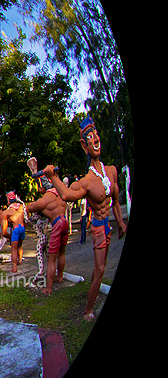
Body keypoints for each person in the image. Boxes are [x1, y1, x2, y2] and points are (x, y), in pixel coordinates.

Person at [42, 115, 126, 320]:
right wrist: (52, 176)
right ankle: (88, 310)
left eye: (96, 134)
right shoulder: (86, 182)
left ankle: (92, 292)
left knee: (101, 270)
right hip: (97, 227)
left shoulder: (112, 172)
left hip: (109, 226)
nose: (95, 138)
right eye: (90, 136)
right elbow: (67, 195)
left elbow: (115, 201)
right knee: (100, 268)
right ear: (84, 145)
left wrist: (121, 222)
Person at [25, 174, 69, 295]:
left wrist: (29, 206)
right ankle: (60, 277)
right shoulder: (61, 193)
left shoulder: (46, 198)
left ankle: (48, 288)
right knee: (62, 253)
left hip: (57, 224)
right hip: (65, 221)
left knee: (51, 258)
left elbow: (32, 207)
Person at [0, 191, 26, 273]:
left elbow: (4, 232)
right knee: (20, 245)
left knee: (13, 248)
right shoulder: (22, 207)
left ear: (8, 201)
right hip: (22, 227)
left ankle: (14, 268)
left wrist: (10, 237)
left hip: (15, 229)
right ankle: (19, 261)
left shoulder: (6, 213)